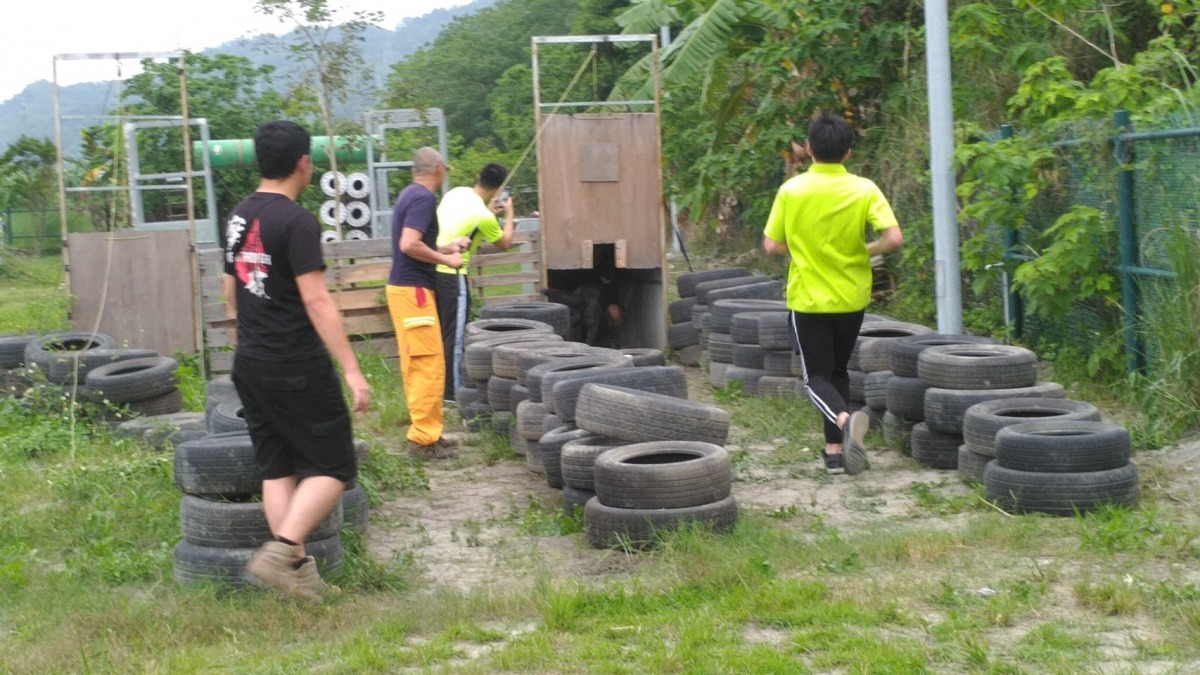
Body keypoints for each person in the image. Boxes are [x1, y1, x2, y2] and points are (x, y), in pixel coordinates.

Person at [222, 120, 370, 603]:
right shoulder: (298, 221)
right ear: (303, 163)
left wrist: (250, 335)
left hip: (251, 360)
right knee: (334, 463)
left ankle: (297, 574)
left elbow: (231, 291)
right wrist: (351, 369)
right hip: (296, 362)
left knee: (277, 465)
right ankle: (282, 549)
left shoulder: (238, 216)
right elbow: (317, 301)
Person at [762, 111, 904, 476]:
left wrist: (799, 251)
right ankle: (835, 453)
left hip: (809, 299)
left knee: (815, 378)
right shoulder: (864, 188)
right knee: (838, 370)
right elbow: (893, 238)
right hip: (852, 298)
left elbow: (771, 245)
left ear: (808, 149)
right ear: (848, 153)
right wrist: (862, 251)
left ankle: (843, 421)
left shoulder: (791, 191)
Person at [385, 147, 471, 459]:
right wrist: (449, 262)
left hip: (406, 291)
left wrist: (447, 249)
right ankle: (423, 441)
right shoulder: (423, 198)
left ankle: (428, 431)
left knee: (421, 364)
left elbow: (414, 241)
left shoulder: (409, 194)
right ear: (438, 169)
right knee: (428, 365)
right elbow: (409, 245)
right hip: (414, 292)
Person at [434, 162, 516, 401]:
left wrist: (490, 213)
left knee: (441, 332)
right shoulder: (483, 216)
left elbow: (461, 223)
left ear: (478, 175)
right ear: (499, 188)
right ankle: (452, 393)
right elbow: (505, 244)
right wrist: (509, 214)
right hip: (454, 275)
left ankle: (440, 387)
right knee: (456, 336)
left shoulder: (455, 193)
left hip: (434, 268)